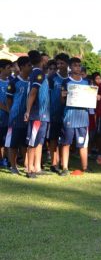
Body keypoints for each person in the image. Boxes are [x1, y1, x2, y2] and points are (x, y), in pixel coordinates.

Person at [59, 57, 92, 176]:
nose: (77, 68)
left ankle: (85, 167)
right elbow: (62, 102)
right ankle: (65, 168)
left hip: (83, 118)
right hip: (69, 117)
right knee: (66, 143)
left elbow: (91, 101)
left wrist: (95, 98)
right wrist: (62, 96)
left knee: (83, 143)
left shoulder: (87, 82)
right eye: (75, 65)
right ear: (70, 67)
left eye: (79, 65)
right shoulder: (66, 82)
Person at [24, 50, 50, 178]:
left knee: (39, 141)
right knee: (33, 142)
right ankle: (30, 169)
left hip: (43, 114)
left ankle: (37, 167)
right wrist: (28, 111)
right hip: (37, 113)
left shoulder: (37, 73)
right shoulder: (38, 73)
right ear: (41, 60)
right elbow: (33, 93)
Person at [6, 56, 31, 174]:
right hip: (15, 118)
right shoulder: (14, 82)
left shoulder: (32, 81)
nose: (31, 67)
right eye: (29, 65)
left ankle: (27, 165)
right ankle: (13, 166)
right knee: (13, 143)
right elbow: (9, 100)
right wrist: (12, 112)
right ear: (22, 67)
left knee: (25, 144)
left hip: (28, 118)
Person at [48, 53, 70, 173]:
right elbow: (47, 95)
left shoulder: (71, 79)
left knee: (65, 139)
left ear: (67, 64)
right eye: (58, 63)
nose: (59, 65)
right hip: (54, 113)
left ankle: (63, 162)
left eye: (62, 63)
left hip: (68, 114)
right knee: (53, 138)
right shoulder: (52, 78)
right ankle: (54, 163)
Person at [0, 59, 13, 168]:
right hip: (2, 115)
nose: (11, 70)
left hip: (10, 117)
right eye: (9, 68)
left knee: (8, 138)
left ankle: (9, 160)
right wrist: (8, 110)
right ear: (1, 69)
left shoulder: (11, 82)